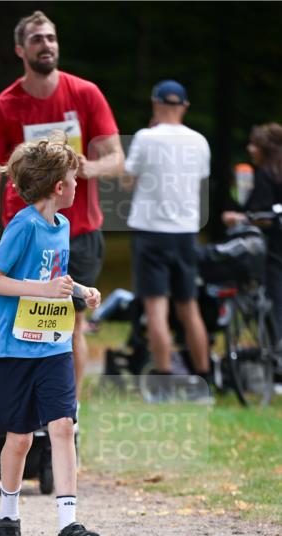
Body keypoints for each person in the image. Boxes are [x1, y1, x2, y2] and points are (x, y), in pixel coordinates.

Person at [0, 9, 123, 410]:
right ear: (21, 49)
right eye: (38, 39)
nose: (47, 45)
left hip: (79, 232)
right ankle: (19, 407)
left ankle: (64, 416)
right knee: (24, 325)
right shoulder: (3, 108)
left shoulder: (84, 94)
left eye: (52, 38)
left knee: (70, 327)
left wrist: (82, 167)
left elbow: (116, 159)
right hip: (25, 234)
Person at [0, 132, 103, 536]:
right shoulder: (23, 225)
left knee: (63, 426)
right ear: (58, 187)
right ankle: (7, 516)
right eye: (74, 179)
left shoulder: (64, 225)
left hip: (53, 345)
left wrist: (81, 291)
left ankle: (68, 526)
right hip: (13, 350)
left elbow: (58, 280)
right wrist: (42, 289)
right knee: (18, 439)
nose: (77, 186)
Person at [123, 80, 212, 395]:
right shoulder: (200, 141)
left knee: (156, 309)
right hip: (186, 232)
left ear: (155, 103)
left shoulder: (146, 138)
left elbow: (127, 180)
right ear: (185, 106)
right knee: (189, 308)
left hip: (151, 232)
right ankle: (204, 378)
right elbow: (199, 180)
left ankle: (164, 381)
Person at [222, 123, 282, 351]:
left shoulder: (266, 175)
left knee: (275, 296)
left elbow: (263, 215)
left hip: (271, 249)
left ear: (265, 148)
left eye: (254, 145)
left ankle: (276, 352)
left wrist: (238, 218)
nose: (249, 149)